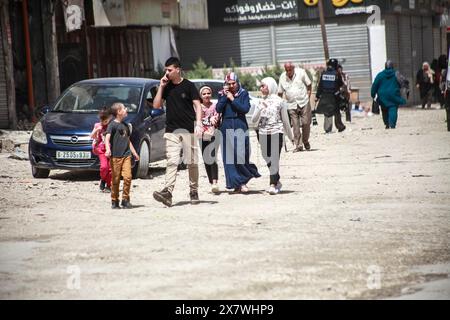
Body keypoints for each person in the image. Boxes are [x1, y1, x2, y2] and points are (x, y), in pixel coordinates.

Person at [152, 57, 203, 207]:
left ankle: (194, 190)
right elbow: (156, 106)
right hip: (171, 131)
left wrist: (199, 123)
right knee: (172, 161)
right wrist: (161, 87)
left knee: (192, 162)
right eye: (165, 70)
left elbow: (198, 106)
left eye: (169, 70)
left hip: (189, 130)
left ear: (177, 69)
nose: (167, 73)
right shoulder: (166, 87)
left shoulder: (189, 86)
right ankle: (167, 192)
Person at [216, 72, 260, 193]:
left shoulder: (243, 93)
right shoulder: (222, 94)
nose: (231, 86)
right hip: (226, 125)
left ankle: (244, 180)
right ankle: (236, 183)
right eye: (228, 83)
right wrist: (225, 97)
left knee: (240, 154)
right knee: (229, 157)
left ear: (237, 82)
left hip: (240, 124)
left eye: (233, 83)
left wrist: (232, 99)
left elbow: (244, 109)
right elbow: (218, 109)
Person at [252, 77, 294, 195]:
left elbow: (285, 121)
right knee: (267, 157)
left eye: (263, 86)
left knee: (274, 158)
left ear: (270, 86)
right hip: (262, 133)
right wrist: (260, 108)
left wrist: (291, 137)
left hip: (277, 132)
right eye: (261, 86)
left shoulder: (280, 101)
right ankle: (277, 180)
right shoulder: (259, 101)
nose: (261, 88)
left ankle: (272, 184)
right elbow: (254, 120)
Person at [105, 103, 140, 209]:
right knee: (115, 179)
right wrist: (108, 149)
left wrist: (134, 153)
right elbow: (107, 138)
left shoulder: (126, 125)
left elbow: (128, 141)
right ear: (118, 112)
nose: (126, 110)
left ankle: (125, 199)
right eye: (124, 108)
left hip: (126, 155)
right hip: (115, 156)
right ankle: (114, 200)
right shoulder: (112, 125)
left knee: (128, 177)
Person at [278, 62, 312, 152]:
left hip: (304, 101)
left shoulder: (301, 72)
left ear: (293, 68)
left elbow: (309, 85)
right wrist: (278, 105)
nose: (288, 72)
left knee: (306, 123)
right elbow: (280, 92)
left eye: (290, 70)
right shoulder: (282, 77)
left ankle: (305, 141)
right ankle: (298, 145)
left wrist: (308, 96)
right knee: (295, 125)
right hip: (291, 104)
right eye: (287, 70)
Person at [371, 60, 406, 129]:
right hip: (394, 95)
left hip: (382, 96)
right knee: (393, 109)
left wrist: (373, 94)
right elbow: (403, 82)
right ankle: (392, 124)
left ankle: (387, 124)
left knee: (384, 110)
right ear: (392, 66)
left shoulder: (380, 75)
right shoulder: (396, 74)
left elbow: (375, 85)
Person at [199, 85, 221, 194]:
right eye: (204, 94)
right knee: (206, 159)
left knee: (212, 157)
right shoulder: (198, 107)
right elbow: (197, 120)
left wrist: (215, 119)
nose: (206, 95)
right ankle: (211, 182)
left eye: (208, 93)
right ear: (201, 96)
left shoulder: (215, 106)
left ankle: (215, 182)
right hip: (202, 136)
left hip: (214, 134)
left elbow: (217, 118)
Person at [315, 58, 346, 133]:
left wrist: (317, 96)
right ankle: (340, 126)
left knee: (327, 112)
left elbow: (320, 86)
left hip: (325, 95)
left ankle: (327, 128)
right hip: (334, 96)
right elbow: (341, 84)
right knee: (336, 111)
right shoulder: (337, 74)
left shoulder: (324, 73)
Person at [90, 107, 112, 192]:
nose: (103, 123)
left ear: (109, 118)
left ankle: (109, 186)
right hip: (101, 149)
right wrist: (96, 130)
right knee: (104, 167)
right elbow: (92, 136)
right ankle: (103, 179)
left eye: (105, 121)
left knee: (110, 169)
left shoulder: (111, 125)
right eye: (102, 121)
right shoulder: (97, 125)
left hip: (111, 149)